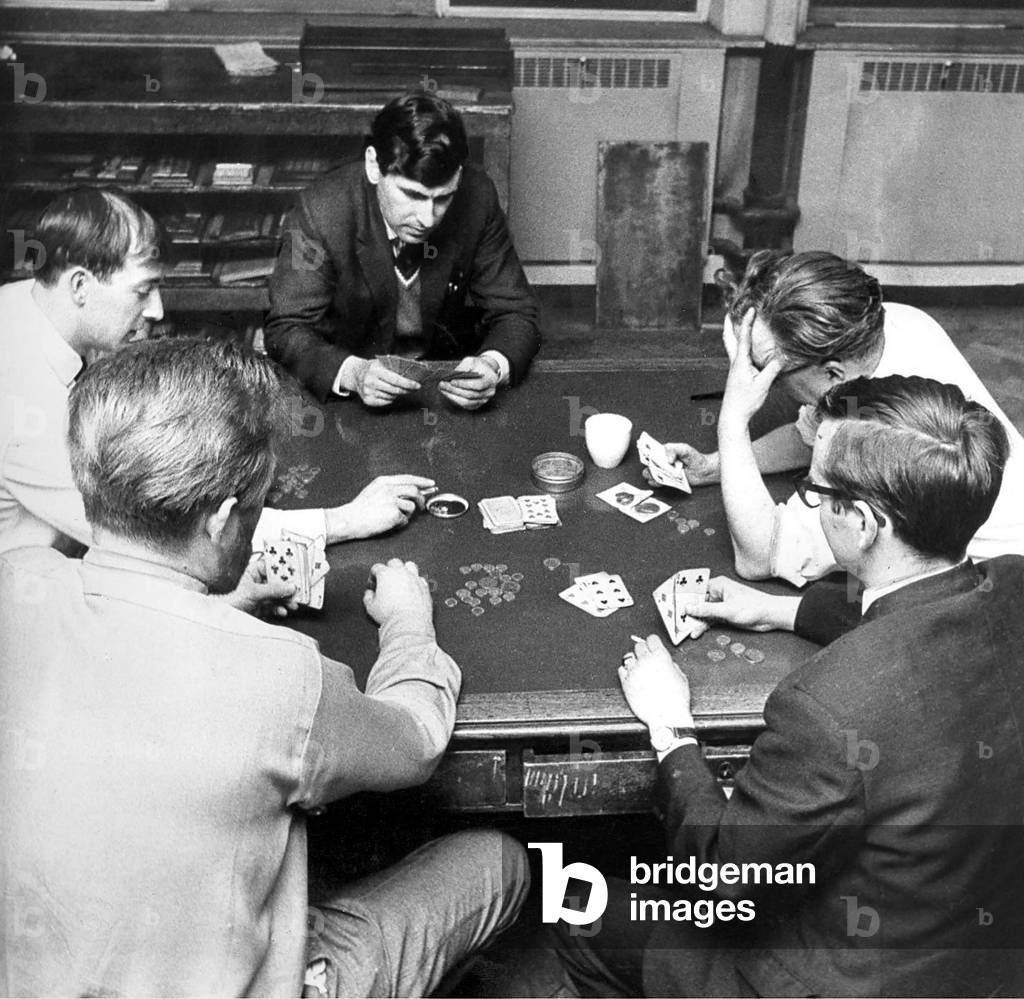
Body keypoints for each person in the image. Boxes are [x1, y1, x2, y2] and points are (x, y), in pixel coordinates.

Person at [0, 336, 528, 997]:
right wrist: (408, 623)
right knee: (499, 863)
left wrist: (215, 598)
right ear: (223, 521)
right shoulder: (283, 676)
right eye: (254, 504)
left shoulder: (17, 582)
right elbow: (417, 741)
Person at [537, 374, 1024, 997]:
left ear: (865, 524)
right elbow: (929, 616)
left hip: (837, 979)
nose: (808, 500)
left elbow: (721, 882)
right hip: (984, 948)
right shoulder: (1011, 581)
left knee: (582, 912)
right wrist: (773, 609)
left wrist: (671, 731)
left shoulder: (825, 708)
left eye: (815, 489)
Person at [0, 187, 435, 580]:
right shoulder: (21, 397)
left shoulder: (38, 302)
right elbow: (160, 530)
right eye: (142, 290)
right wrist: (348, 520)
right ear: (80, 285)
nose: (156, 310)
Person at [658, 250, 1024, 587]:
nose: (749, 378)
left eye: (762, 368)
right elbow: (810, 434)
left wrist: (733, 420)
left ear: (834, 374)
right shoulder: (894, 322)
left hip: (998, 585)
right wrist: (712, 466)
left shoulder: (870, 435)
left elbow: (760, 555)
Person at [265, 90, 541, 409]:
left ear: (459, 177)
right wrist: (353, 373)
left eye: (443, 198)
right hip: (352, 397)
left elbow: (517, 312)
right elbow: (286, 329)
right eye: (411, 195)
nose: (427, 219)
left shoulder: (477, 198)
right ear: (373, 166)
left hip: (447, 392)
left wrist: (492, 365)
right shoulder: (321, 209)